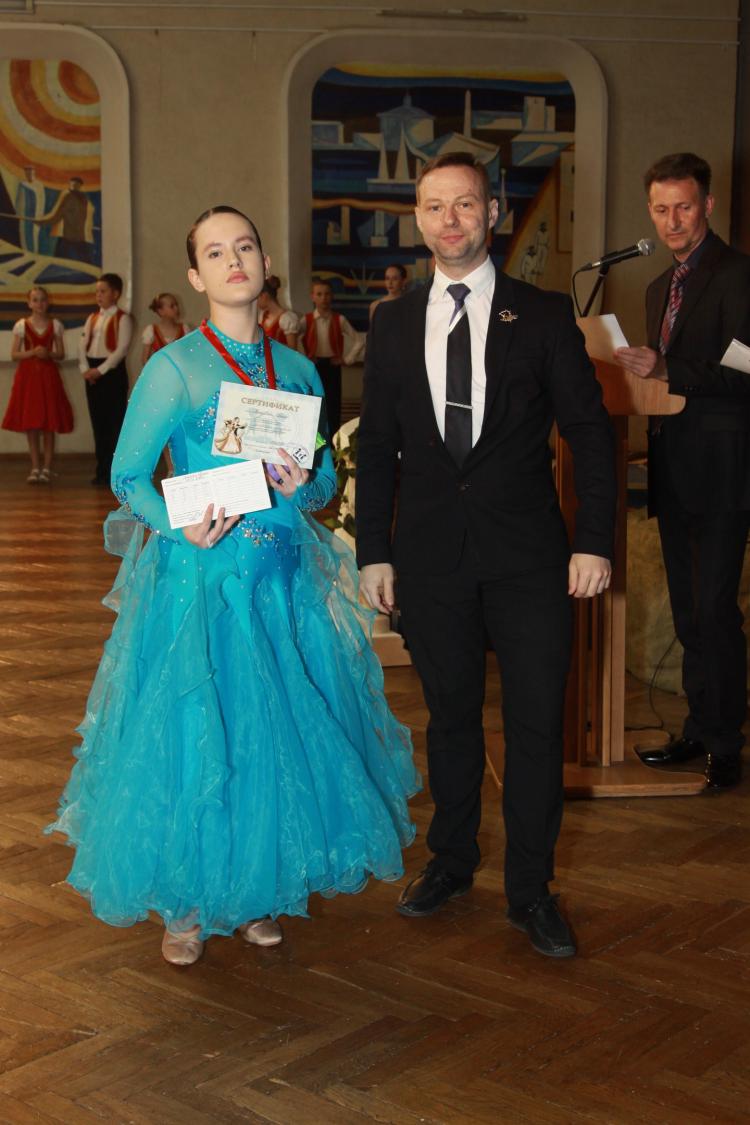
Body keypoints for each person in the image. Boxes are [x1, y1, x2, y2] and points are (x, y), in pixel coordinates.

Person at [47, 205, 419, 966]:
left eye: (244, 245)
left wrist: (307, 481)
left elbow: (320, 484)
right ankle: (187, 900)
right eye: (215, 252)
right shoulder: (175, 366)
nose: (234, 260)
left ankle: (254, 890)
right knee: (202, 730)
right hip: (204, 582)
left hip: (282, 584)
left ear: (264, 261)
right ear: (196, 275)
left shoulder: (300, 370)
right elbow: (127, 476)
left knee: (271, 734)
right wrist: (177, 523)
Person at [356, 152, 616, 958]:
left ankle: (531, 889)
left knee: (536, 723)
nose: (451, 220)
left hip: (530, 558)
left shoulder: (542, 316)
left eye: (466, 204)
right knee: (451, 718)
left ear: (492, 213)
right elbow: (378, 445)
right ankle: (452, 860)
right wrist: (373, 551)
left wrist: (595, 539)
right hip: (430, 556)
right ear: (418, 218)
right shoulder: (392, 321)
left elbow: (590, 434)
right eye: (435, 206)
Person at [615, 152, 750, 791]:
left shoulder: (738, 275)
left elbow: (745, 372)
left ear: (708, 206)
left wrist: (666, 368)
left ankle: (726, 744)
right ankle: (698, 727)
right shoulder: (655, 288)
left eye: (684, 207)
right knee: (690, 613)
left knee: (716, 612)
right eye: (661, 209)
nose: (673, 221)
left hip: (723, 473)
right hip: (671, 469)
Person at [2, 285, 73, 482]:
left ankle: (47, 468)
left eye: (42, 300)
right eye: (35, 300)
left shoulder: (55, 325)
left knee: (49, 423)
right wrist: (32, 352)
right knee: (31, 424)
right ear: (29, 303)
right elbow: (14, 354)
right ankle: (35, 467)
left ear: (47, 302)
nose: (39, 304)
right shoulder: (22, 325)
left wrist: (48, 353)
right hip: (28, 378)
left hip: (48, 378)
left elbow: (61, 354)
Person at [79, 272, 132, 487]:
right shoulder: (92, 318)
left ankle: (115, 472)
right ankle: (101, 470)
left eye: (103, 291)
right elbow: (82, 346)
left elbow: (121, 349)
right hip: (92, 374)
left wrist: (99, 371)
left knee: (114, 424)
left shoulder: (123, 318)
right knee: (98, 424)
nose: (98, 295)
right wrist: (85, 369)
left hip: (111, 374)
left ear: (115, 294)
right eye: (97, 292)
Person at [301, 279, 359, 442]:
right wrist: (304, 359)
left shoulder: (339, 319)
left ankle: (333, 442)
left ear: (332, 296)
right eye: (319, 294)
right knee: (314, 403)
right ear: (313, 296)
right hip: (314, 367)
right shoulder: (306, 320)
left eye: (327, 294)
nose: (323, 298)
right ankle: (314, 441)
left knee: (333, 405)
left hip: (333, 367)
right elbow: (293, 339)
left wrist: (347, 359)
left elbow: (359, 340)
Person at [141, 292, 190, 365]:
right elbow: (145, 359)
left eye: (177, 305)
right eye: (172, 306)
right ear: (161, 311)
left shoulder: (184, 329)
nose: (176, 308)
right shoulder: (152, 330)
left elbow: (189, 353)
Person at [258, 275, 300, 349]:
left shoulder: (287, 318)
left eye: (257, 297)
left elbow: (292, 349)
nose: (256, 302)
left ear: (264, 295)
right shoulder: (263, 316)